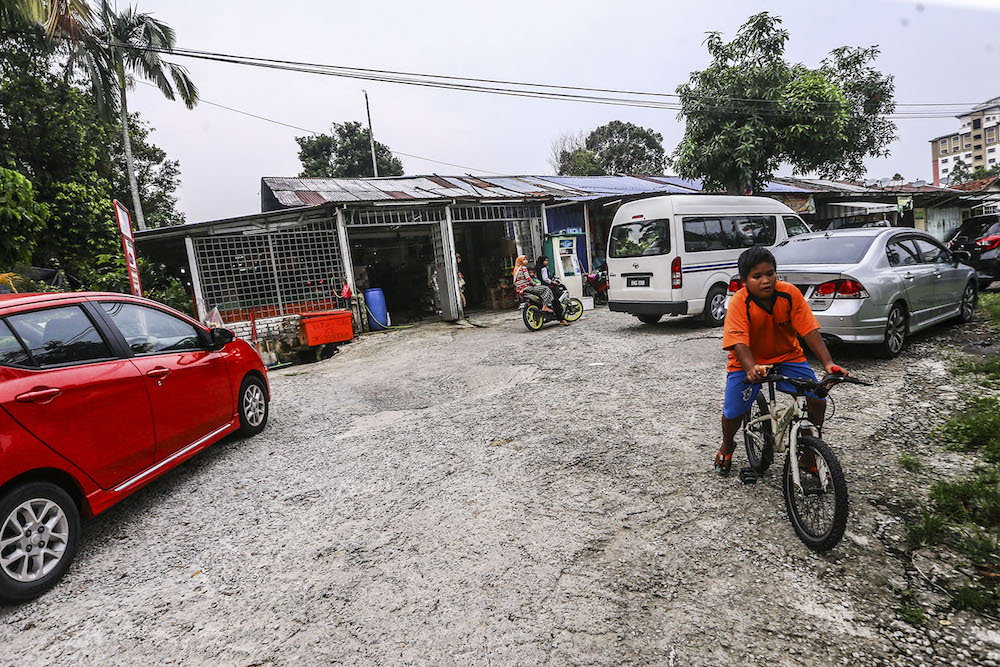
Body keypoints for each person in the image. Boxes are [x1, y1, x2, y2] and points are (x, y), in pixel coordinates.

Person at [716, 246, 847, 474]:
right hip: (747, 362)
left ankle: (809, 450)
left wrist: (828, 363)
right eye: (757, 276)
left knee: (816, 396)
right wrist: (750, 368)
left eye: (770, 274)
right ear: (745, 280)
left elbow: (810, 331)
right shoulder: (739, 301)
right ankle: (727, 444)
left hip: (788, 356)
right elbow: (739, 343)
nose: (766, 280)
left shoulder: (789, 294)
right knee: (733, 411)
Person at [512, 256, 568, 325]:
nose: (526, 261)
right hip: (527, 287)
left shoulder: (516, 269)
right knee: (548, 290)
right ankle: (545, 307)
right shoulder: (523, 268)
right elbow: (528, 278)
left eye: (526, 259)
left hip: (520, 289)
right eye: (524, 260)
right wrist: (535, 284)